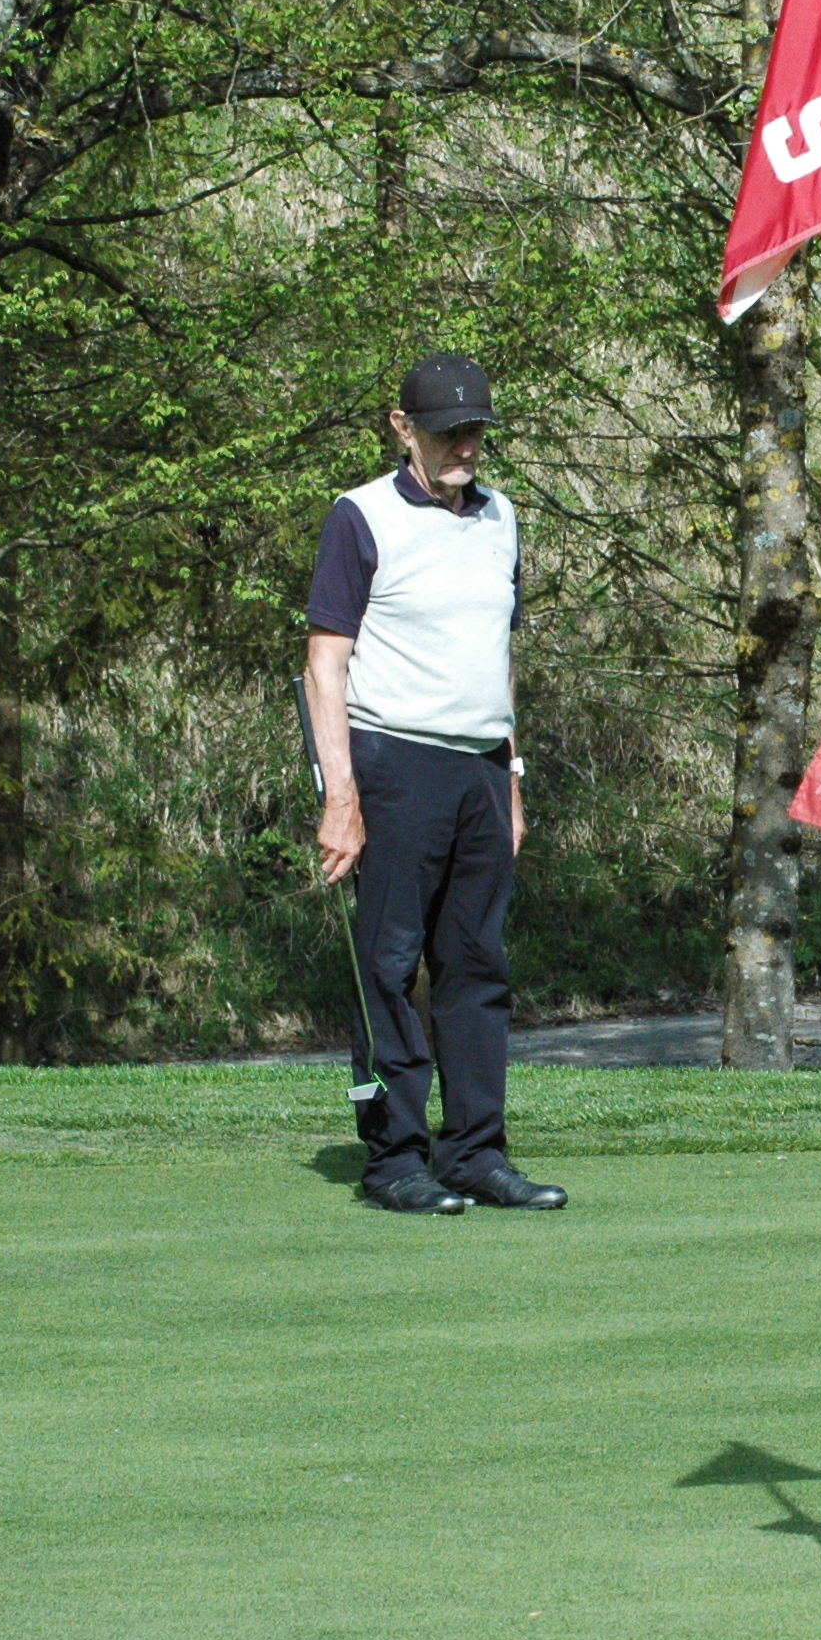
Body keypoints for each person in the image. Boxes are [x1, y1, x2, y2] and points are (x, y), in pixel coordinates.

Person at [301, 353, 567, 1214]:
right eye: (448, 430)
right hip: (394, 763)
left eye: (475, 430)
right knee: (388, 965)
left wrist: (512, 777)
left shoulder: (502, 518)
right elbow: (324, 665)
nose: (465, 445)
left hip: (481, 767)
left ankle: (475, 1154)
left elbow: (497, 655)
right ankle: (394, 1160)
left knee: (477, 964)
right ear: (402, 427)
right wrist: (340, 797)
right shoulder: (361, 517)